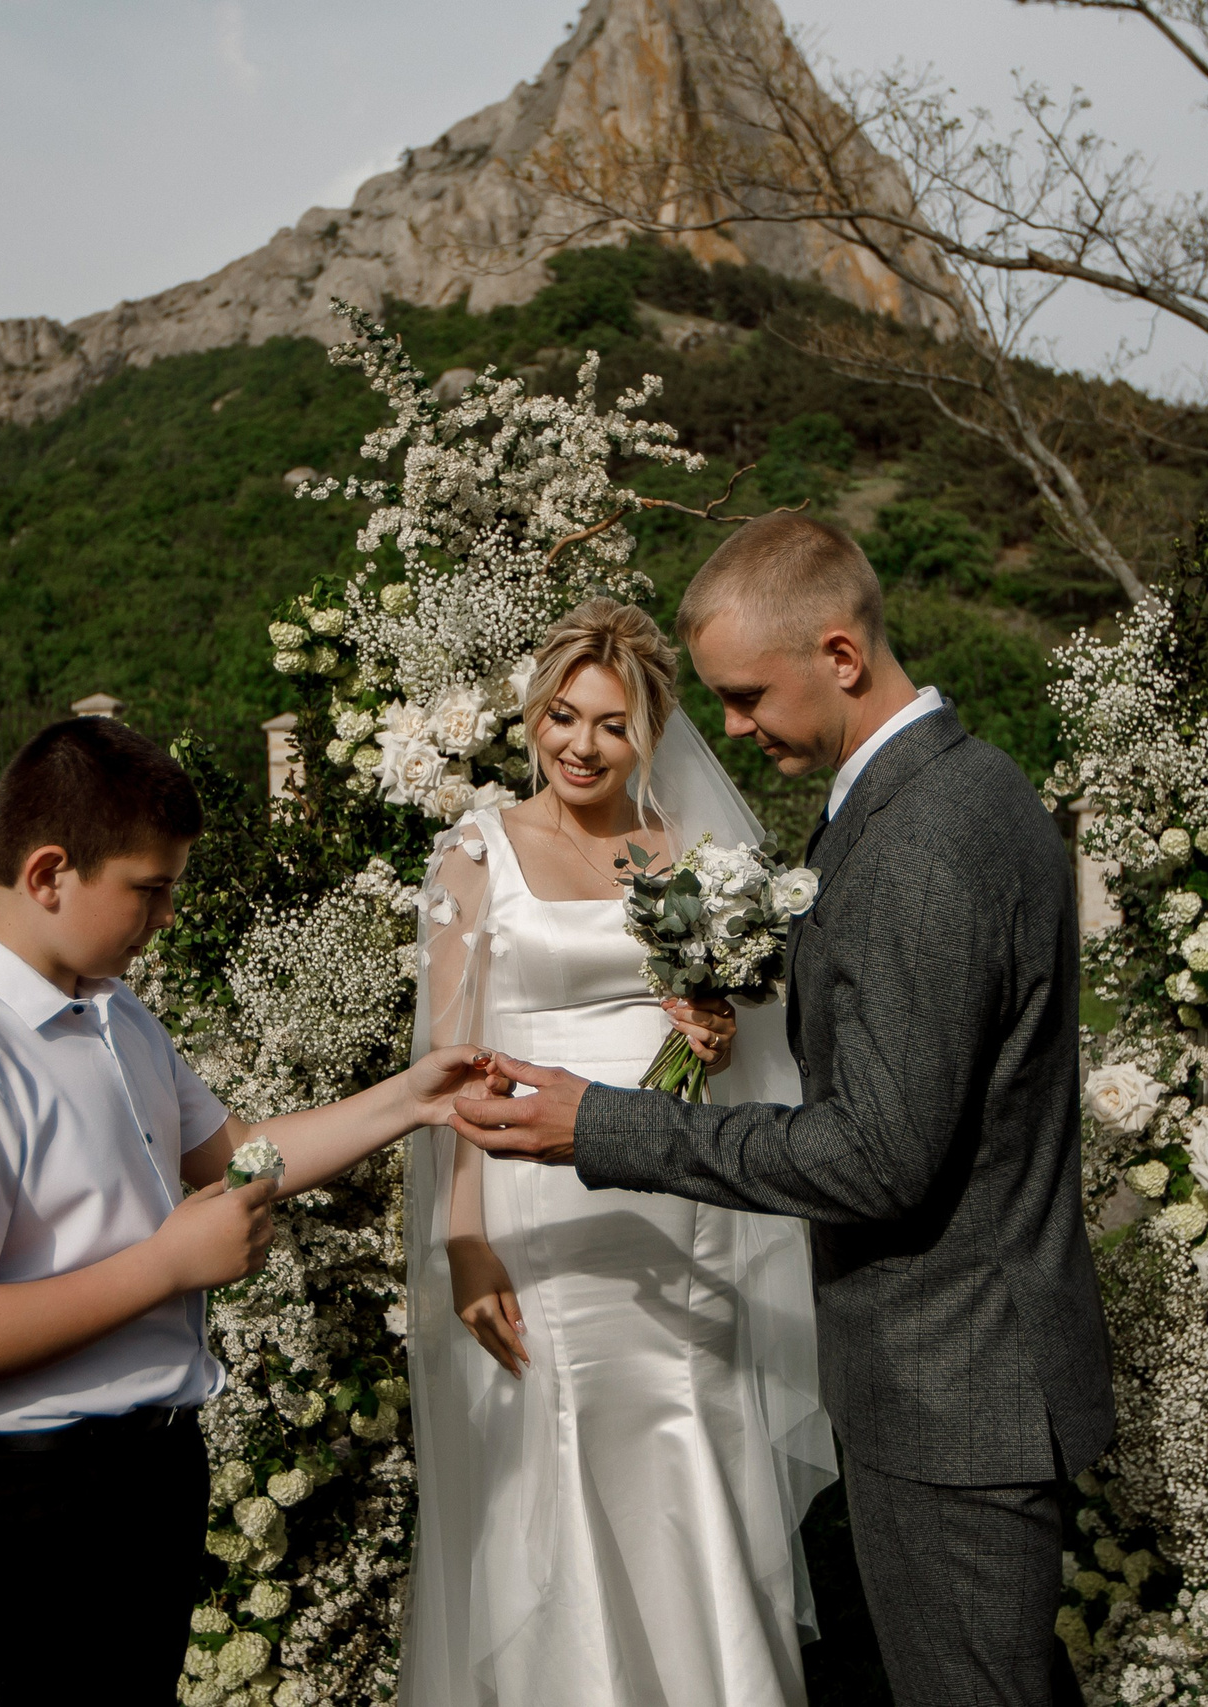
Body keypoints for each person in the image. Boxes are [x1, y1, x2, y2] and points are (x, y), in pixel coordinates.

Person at [452, 517, 1117, 1707]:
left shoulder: (925, 839)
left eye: (750, 697)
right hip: (954, 1366)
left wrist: (604, 1126)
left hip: (955, 1383)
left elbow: (876, 1155)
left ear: (841, 655)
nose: (739, 731)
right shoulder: (949, 791)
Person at [0, 717, 486, 1707]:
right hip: (38, 1493)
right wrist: (167, 1264)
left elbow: (235, 1158)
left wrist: (410, 1100)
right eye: (148, 889)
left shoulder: (111, 1013)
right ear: (50, 872)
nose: (168, 916)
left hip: (146, 1466)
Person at [399, 599, 836, 1707]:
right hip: (530, 1226)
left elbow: (728, 1031)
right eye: (561, 716)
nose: (579, 746)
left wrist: (717, 1030)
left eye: (608, 723)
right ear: (533, 715)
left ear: (647, 730)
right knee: (550, 1471)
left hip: (675, 1208)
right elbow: (453, 1066)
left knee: (685, 1446)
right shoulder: (475, 851)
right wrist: (462, 1239)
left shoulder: (687, 852)